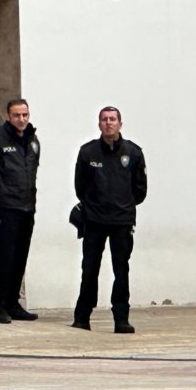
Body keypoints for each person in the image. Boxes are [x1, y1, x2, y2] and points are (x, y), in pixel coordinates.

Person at [71, 107, 147, 335]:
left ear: (120, 124)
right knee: (89, 268)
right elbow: (80, 187)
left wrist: (122, 205)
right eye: (104, 119)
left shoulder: (133, 153)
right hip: (94, 221)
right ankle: (82, 317)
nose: (108, 123)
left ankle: (121, 319)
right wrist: (95, 205)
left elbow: (140, 190)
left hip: (122, 222)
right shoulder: (88, 152)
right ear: (98, 124)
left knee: (121, 270)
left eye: (112, 119)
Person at [0, 98, 40, 324]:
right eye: (16, 115)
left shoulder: (32, 140)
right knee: (5, 257)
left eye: (25, 115)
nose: (21, 119)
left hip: (26, 208)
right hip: (5, 208)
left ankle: (13, 303)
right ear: (8, 116)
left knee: (20, 256)